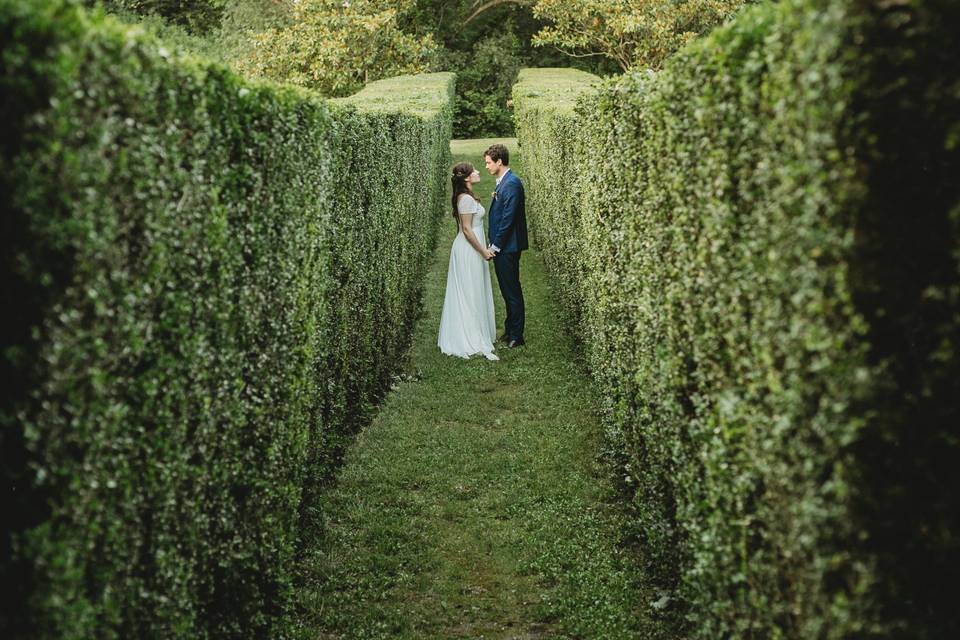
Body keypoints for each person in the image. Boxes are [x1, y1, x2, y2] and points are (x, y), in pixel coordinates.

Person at [437, 162, 499, 361]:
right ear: (466, 178)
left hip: (472, 247)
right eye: (474, 171)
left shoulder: (467, 197)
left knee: (473, 288)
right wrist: (483, 251)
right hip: (469, 249)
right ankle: (470, 335)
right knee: (469, 290)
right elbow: (466, 229)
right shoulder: (465, 199)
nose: (478, 171)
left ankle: (477, 329)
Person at [484, 143, 528, 348]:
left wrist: (495, 246)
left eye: (489, 162)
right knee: (507, 289)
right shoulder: (503, 181)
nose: (486, 166)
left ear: (499, 161)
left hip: (508, 247)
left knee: (512, 291)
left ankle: (516, 336)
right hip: (504, 246)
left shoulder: (511, 183)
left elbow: (508, 219)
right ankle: (510, 328)